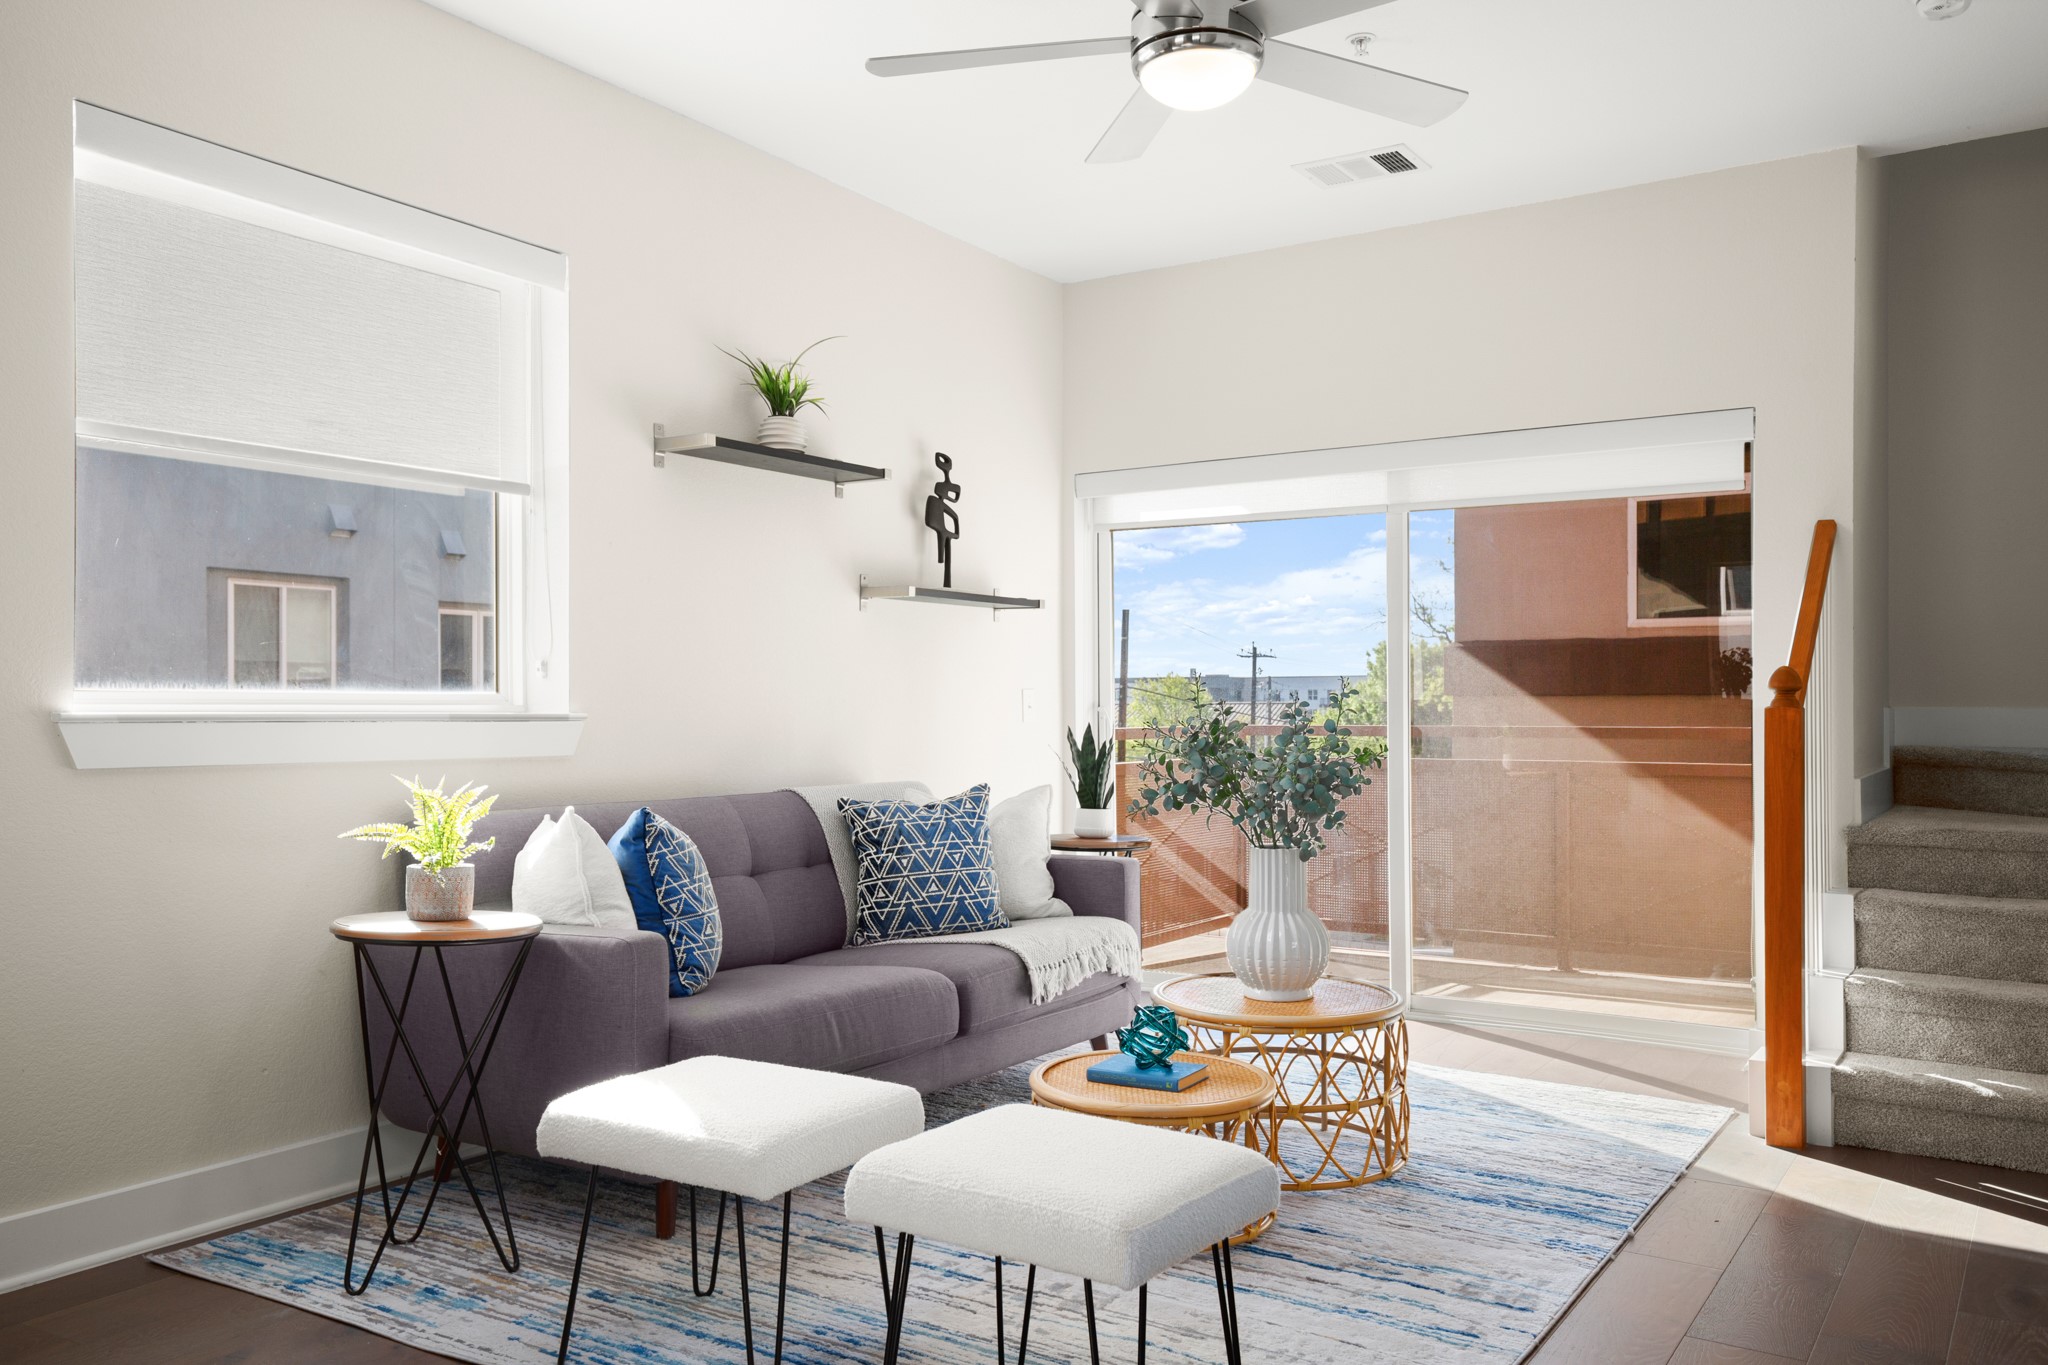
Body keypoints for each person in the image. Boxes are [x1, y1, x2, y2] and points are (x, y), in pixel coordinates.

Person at [923, 451, 961, 588]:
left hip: (944, 528)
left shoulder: (937, 501)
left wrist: (955, 530)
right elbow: (955, 500)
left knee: (946, 548)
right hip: (941, 526)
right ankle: (946, 582)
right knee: (944, 551)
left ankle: (947, 583)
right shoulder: (935, 501)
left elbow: (955, 499)